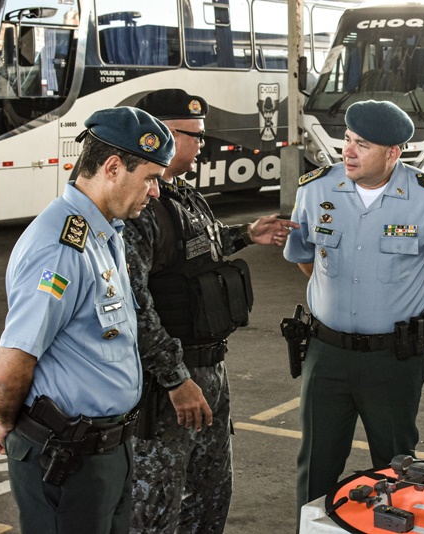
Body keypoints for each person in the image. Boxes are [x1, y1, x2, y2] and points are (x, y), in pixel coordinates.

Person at [0, 107, 175, 533]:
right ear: (114, 167)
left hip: (104, 451)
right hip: (69, 458)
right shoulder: (63, 246)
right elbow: (12, 363)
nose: (155, 191)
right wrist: (9, 422)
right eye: (150, 177)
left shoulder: (103, 233)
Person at [283, 100, 424, 519]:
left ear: (392, 153)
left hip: (393, 358)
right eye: (347, 140)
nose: (347, 151)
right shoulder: (315, 190)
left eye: (361, 145)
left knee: (396, 466)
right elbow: (304, 255)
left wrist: (401, 299)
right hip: (326, 353)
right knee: (316, 464)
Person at [124, 88, 298, 534]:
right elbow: (135, 304)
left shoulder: (179, 191)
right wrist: (175, 380)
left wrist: (246, 232)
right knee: (157, 503)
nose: (203, 145)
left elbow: (200, 244)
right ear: (159, 133)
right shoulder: (138, 209)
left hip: (209, 368)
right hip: (170, 383)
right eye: (193, 136)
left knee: (210, 491)